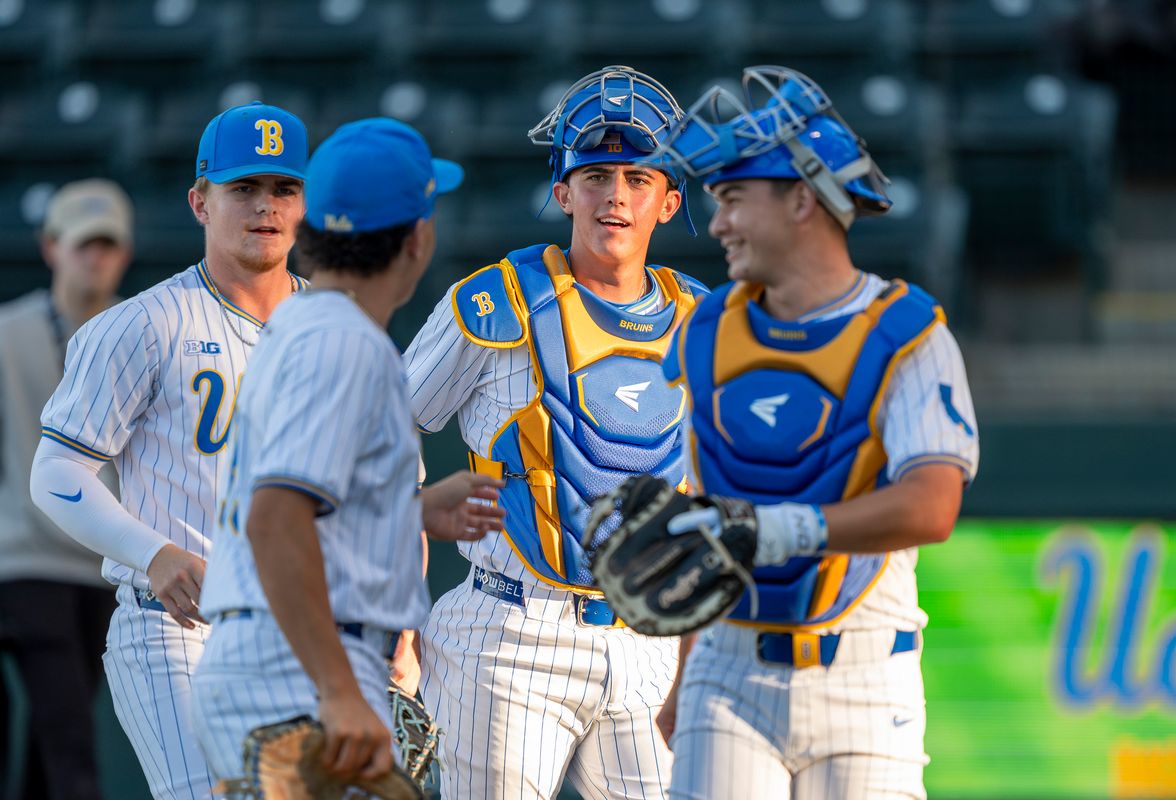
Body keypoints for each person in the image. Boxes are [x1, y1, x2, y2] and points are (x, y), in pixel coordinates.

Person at [652, 66, 980, 798]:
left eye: (733, 198)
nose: (717, 223)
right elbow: (713, 512)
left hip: (865, 675)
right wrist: (681, 678)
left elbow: (932, 507)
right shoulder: (705, 330)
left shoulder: (908, 334)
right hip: (727, 671)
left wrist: (777, 530)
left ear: (802, 198)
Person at [405, 65, 707, 799]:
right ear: (562, 190)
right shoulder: (491, 302)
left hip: (649, 638)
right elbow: (377, 433)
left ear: (668, 202)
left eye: (638, 178)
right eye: (596, 174)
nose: (616, 196)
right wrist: (395, 613)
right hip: (509, 633)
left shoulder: (705, 321)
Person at [189, 117, 504, 786]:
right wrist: (335, 687)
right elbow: (274, 517)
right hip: (301, 666)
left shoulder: (306, 323)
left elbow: (304, 500)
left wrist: (409, 509)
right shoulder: (344, 343)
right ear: (418, 239)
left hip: (283, 654)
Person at [29, 101, 308, 799]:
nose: (265, 206)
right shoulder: (143, 325)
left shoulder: (339, 331)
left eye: (283, 188)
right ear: (200, 202)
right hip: (179, 630)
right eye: (243, 188)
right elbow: (56, 472)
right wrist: (150, 552)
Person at [0, 179, 132, 799]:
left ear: (124, 253)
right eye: (82, 245)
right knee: (70, 739)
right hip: (25, 565)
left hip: (105, 570)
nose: (94, 258)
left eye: (106, 246)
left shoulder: (144, 332)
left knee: (53, 738)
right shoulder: (6, 333)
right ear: (51, 247)